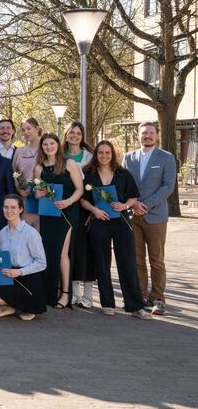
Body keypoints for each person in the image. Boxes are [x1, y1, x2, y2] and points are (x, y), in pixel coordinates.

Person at [81, 141, 152, 319]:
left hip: (121, 222)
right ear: (96, 154)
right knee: (102, 263)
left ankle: (135, 306)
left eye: (107, 152)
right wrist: (94, 210)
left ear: (112, 154)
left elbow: (133, 197)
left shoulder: (123, 174)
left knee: (128, 262)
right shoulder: (88, 174)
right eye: (100, 153)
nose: (104, 156)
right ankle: (107, 303)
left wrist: (124, 205)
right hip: (99, 222)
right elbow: (83, 199)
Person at [123, 121, 177, 316]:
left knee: (157, 260)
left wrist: (144, 205)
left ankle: (158, 299)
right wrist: (133, 205)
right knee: (137, 260)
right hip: (132, 216)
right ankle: (141, 297)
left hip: (155, 216)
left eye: (151, 133)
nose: (147, 136)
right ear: (138, 135)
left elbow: (168, 186)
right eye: (144, 133)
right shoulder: (128, 157)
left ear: (157, 135)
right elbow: (123, 184)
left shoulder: (166, 157)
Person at [0, 195, 47, 321]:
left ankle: (25, 304)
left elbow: (42, 263)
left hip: (26, 278)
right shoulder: (3, 232)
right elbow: (4, 259)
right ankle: (7, 305)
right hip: (9, 272)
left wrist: (19, 272)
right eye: (6, 207)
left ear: (20, 209)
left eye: (13, 207)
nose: (9, 211)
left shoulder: (31, 233)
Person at [34, 132, 84, 309]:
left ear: (57, 145)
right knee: (49, 252)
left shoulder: (69, 163)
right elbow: (37, 193)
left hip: (67, 213)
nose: (49, 147)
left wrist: (68, 201)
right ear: (42, 147)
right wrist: (38, 193)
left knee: (62, 253)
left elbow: (80, 189)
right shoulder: (39, 168)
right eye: (45, 144)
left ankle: (65, 294)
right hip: (48, 214)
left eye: (52, 144)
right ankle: (49, 292)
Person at [63, 121, 95, 308]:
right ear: (66, 134)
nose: (74, 136)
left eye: (78, 133)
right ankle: (74, 293)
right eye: (71, 132)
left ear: (82, 136)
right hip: (65, 208)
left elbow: (96, 183)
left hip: (86, 209)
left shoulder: (90, 158)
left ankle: (88, 295)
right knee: (70, 250)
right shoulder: (59, 156)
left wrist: (92, 209)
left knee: (87, 251)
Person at [13, 117, 43, 229]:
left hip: (44, 199)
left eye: (29, 128)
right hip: (26, 199)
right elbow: (14, 174)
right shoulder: (19, 151)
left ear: (37, 129)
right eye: (23, 130)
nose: (26, 132)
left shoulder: (47, 149)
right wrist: (19, 189)